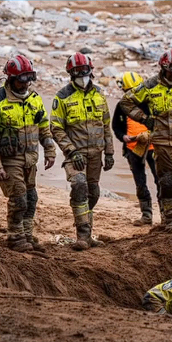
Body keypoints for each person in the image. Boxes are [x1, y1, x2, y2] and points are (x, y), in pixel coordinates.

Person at [119, 48, 172, 233]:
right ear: (164, 67)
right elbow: (126, 102)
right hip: (161, 142)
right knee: (166, 182)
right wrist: (143, 118)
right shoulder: (150, 85)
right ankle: (170, 219)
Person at [0, 55, 56, 252]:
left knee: (31, 198)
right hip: (9, 160)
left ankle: (27, 235)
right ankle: (15, 238)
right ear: (11, 79)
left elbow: (43, 127)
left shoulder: (34, 98)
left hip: (30, 159)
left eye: (28, 79)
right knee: (19, 198)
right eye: (21, 80)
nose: (25, 84)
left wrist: (50, 150)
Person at [50, 52, 115, 251]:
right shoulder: (62, 97)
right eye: (77, 72)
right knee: (79, 185)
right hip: (75, 155)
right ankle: (83, 235)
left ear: (91, 71)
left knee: (93, 192)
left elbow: (106, 125)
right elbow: (56, 128)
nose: (82, 75)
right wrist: (71, 151)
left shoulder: (99, 94)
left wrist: (110, 153)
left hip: (96, 153)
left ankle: (87, 230)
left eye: (84, 71)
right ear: (70, 74)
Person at [112, 71, 159, 226]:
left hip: (153, 148)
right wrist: (124, 137)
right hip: (133, 149)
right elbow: (116, 126)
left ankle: (166, 214)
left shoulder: (150, 102)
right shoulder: (121, 106)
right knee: (140, 182)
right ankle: (146, 215)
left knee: (161, 180)